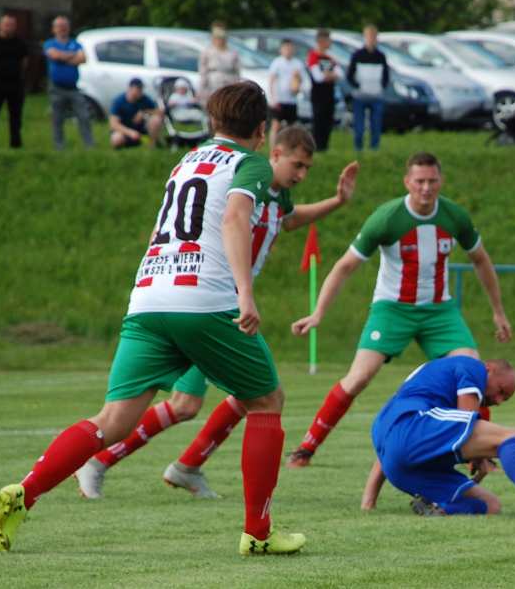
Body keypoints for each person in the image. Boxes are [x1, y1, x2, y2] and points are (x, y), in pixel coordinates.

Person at [0, 81, 306, 556]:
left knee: (111, 420)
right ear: (262, 130)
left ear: (213, 123)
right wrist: (245, 293)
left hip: (150, 295)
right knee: (265, 401)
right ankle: (258, 533)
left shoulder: (187, 161)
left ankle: (25, 491)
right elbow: (236, 218)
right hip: (203, 299)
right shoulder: (251, 162)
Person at [75, 126, 359, 500]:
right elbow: (224, 220)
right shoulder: (245, 181)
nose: (301, 174)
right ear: (275, 153)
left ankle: (184, 466)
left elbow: (289, 219)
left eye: (307, 168)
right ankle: (101, 462)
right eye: (297, 164)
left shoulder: (276, 195)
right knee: (204, 401)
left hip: (222, 304)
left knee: (233, 397)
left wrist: (337, 201)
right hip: (208, 300)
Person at [287, 151, 512, 468]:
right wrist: (318, 312)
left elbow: (481, 260)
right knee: (359, 376)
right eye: (419, 181)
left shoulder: (454, 217)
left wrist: (498, 311)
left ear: (440, 181)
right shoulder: (387, 218)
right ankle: (306, 448)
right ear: (407, 182)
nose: (425, 188)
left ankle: (479, 452)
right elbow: (345, 266)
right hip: (392, 309)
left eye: (432, 181)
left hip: (439, 312)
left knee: (472, 369)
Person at [359, 356, 515, 521]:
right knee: (509, 436)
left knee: (490, 505)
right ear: (489, 369)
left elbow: (393, 448)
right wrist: (481, 457)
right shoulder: (472, 367)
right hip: (411, 426)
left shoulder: (431, 388)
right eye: (501, 390)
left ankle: (441, 509)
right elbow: (466, 417)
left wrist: (368, 502)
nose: (499, 400)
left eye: (505, 399)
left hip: (398, 461)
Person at [43, 15, 93, 150]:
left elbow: (82, 58)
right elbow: (54, 55)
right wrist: (71, 55)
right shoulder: (49, 43)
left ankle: (89, 145)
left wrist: (62, 57)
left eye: (65, 26)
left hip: (73, 88)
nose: (62, 29)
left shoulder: (76, 43)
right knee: (58, 119)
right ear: (54, 29)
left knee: (84, 116)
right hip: (56, 88)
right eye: (59, 26)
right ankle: (59, 147)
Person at [0, 14, 28, 148]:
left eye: (11, 25)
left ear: (15, 27)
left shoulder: (20, 43)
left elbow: (25, 62)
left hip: (15, 85)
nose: (8, 27)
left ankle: (15, 144)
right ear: (0, 26)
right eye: (6, 24)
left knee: (15, 116)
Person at [347, 25, 389, 151]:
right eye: (369, 37)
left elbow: (386, 75)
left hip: (376, 95)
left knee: (376, 125)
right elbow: (350, 75)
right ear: (365, 38)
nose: (371, 39)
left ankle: (374, 149)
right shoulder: (357, 55)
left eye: (373, 37)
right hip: (360, 96)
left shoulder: (380, 56)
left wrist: (381, 86)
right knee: (359, 126)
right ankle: (358, 148)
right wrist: (358, 86)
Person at [308, 29, 343, 152]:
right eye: (328, 40)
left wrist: (328, 75)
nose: (330, 42)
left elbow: (340, 73)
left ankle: (325, 147)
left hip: (329, 94)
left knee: (328, 121)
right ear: (321, 41)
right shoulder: (314, 56)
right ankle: (316, 147)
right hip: (318, 95)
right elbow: (318, 77)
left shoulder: (329, 57)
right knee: (318, 121)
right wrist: (329, 75)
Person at [267, 39, 305, 147]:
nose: (288, 50)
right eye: (286, 48)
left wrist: (298, 85)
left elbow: (302, 80)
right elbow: (271, 80)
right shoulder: (277, 62)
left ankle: (289, 148)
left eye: (290, 48)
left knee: (291, 127)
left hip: (292, 99)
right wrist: (272, 97)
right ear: (281, 50)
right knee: (276, 125)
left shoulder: (297, 63)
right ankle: (273, 149)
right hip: (279, 99)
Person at [109, 78, 164, 149]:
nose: (140, 91)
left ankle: (152, 144)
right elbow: (114, 124)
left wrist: (144, 112)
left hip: (141, 131)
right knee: (116, 139)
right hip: (124, 131)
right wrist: (130, 133)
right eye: (138, 88)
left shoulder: (144, 99)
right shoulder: (118, 101)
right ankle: (129, 144)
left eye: (141, 89)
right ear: (130, 88)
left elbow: (160, 112)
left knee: (156, 120)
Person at [198, 21, 240, 103]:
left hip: (229, 82)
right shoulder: (208, 51)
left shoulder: (232, 52)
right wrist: (203, 87)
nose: (219, 40)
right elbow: (203, 70)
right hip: (213, 82)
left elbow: (237, 71)